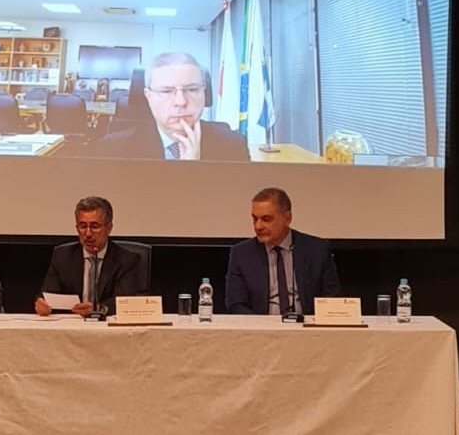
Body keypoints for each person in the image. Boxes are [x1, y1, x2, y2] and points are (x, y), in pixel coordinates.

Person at [88, 52, 249, 161]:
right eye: (166, 91)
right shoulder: (113, 149)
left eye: (192, 90)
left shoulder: (233, 145)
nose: (181, 101)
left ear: (204, 93)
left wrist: (196, 172)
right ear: (148, 96)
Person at [225, 187, 339, 315]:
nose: (258, 226)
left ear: (287, 218)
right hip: (261, 325)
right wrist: (261, 324)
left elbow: (331, 297)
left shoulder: (317, 250)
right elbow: (235, 304)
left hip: (306, 324)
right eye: (255, 219)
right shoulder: (242, 254)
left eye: (266, 219)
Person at [34, 196, 141, 317]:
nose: (88, 234)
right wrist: (42, 303)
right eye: (83, 226)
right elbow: (48, 293)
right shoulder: (63, 256)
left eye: (94, 226)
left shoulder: (126, 260)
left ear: (109, 228)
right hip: (72, 322)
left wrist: (99, 309)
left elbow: (124, 301)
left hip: (105, 324)